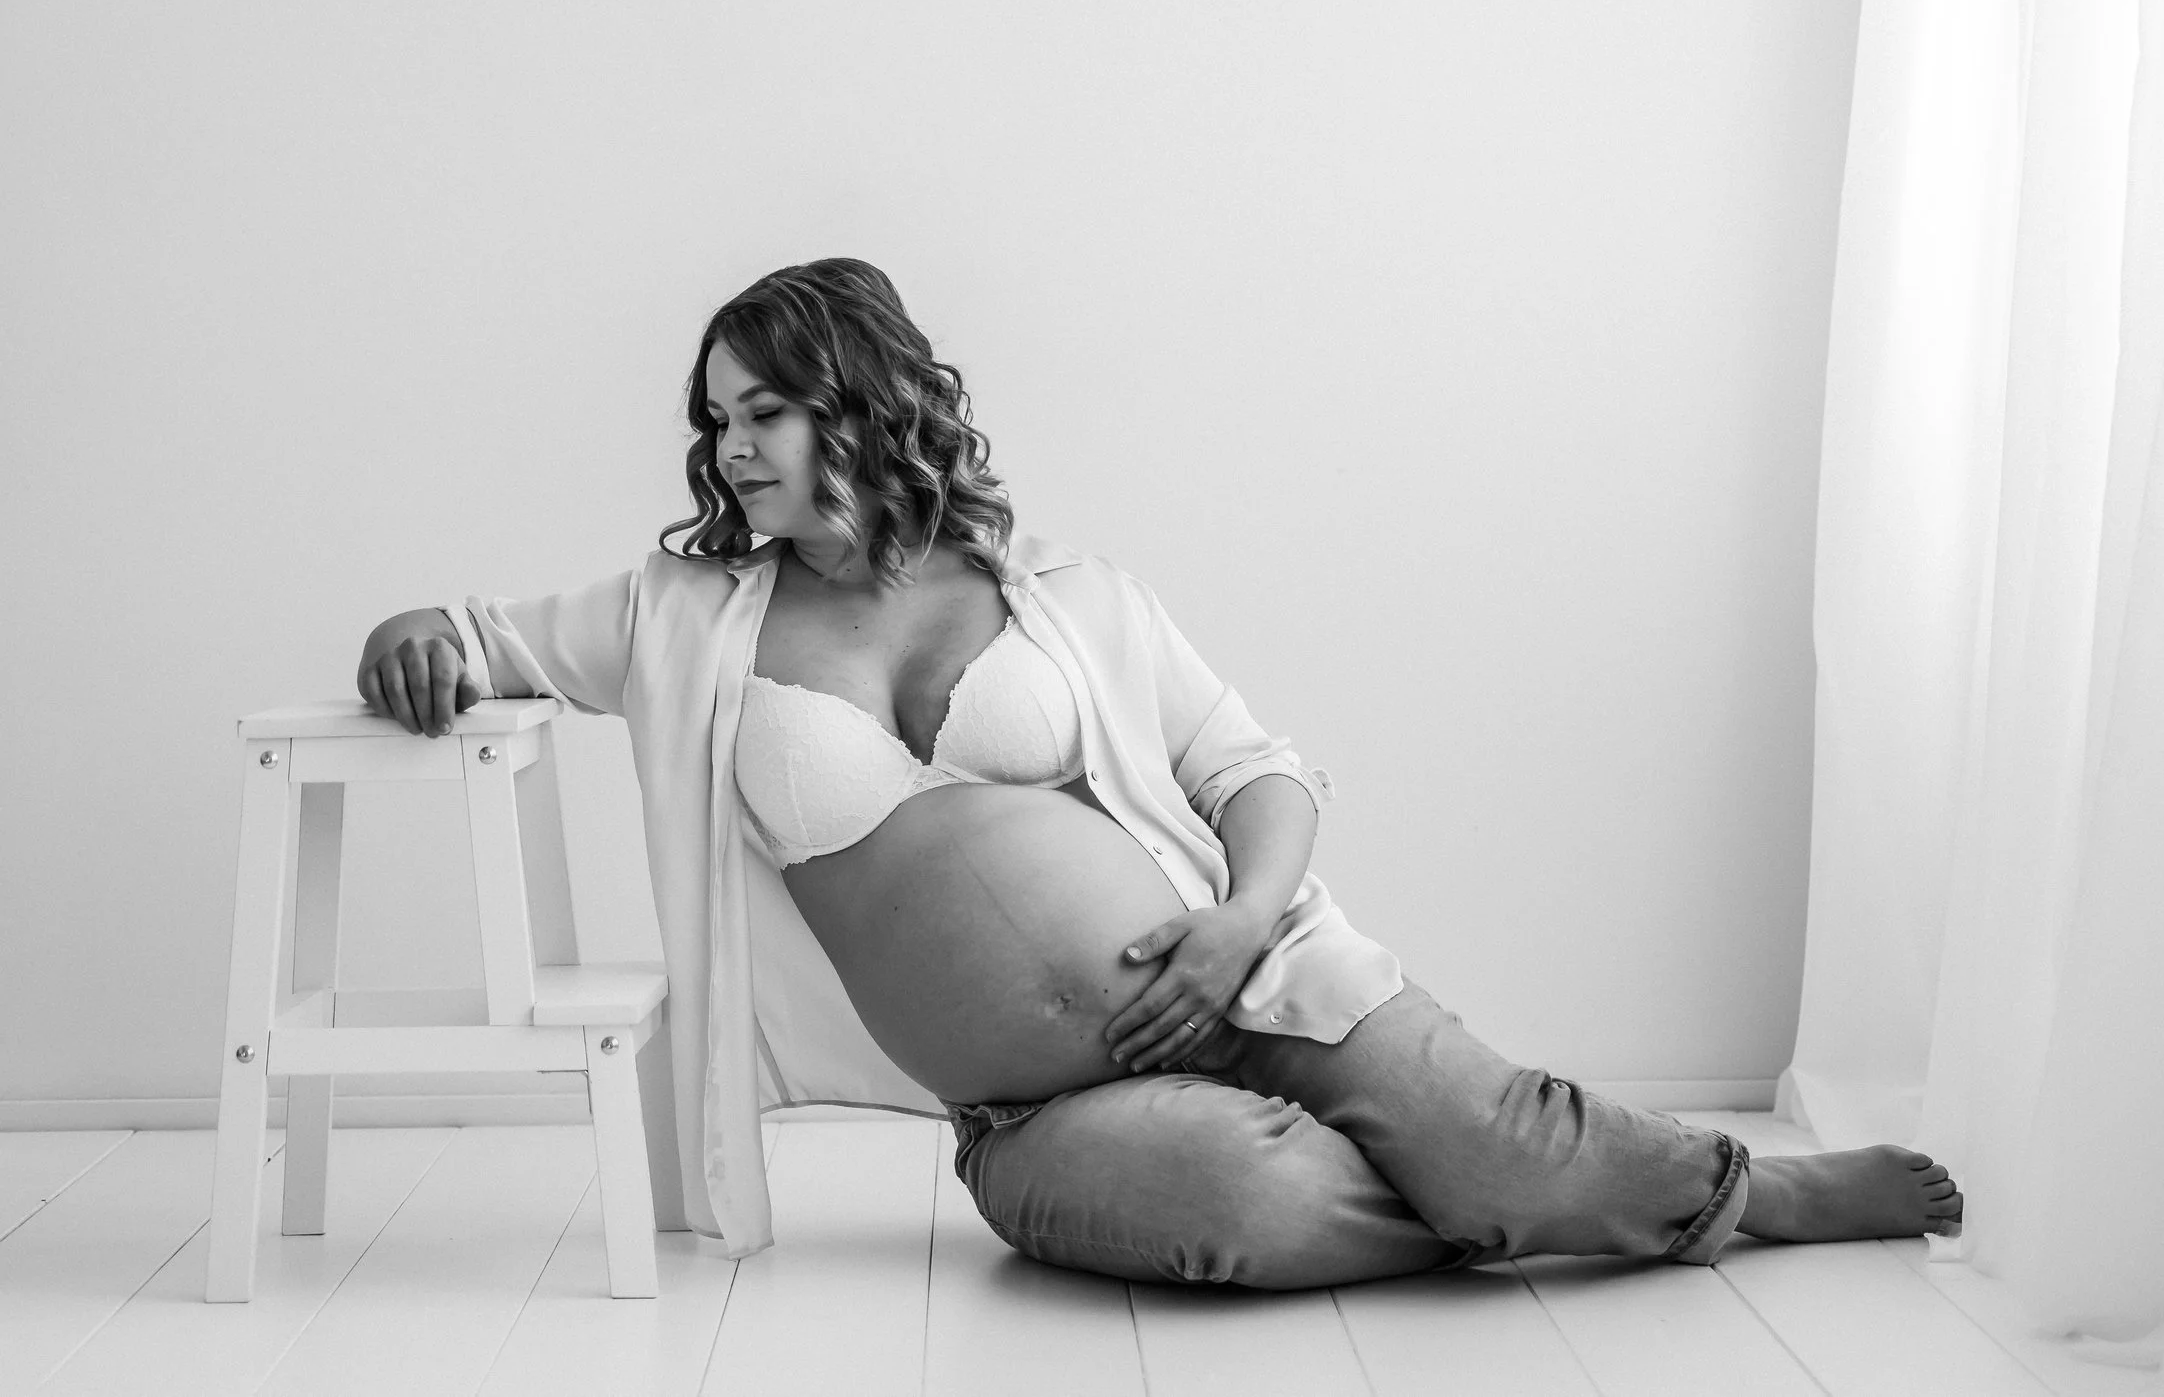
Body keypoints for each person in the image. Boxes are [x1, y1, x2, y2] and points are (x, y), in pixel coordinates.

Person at [355, 257, 1963, 1288]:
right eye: (718, 424)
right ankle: (1519, 1184)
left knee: (1457, 1127)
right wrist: (412, 637)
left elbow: (1258, 773)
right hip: (1039, 1112)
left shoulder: (1070, 597)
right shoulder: (683, 615)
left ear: (866, 398)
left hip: (1257, 986)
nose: (735, 451)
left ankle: (1739, 1191)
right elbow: (474, 633)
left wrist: (1238, 925)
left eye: (768, 409)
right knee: (1239, 1209)